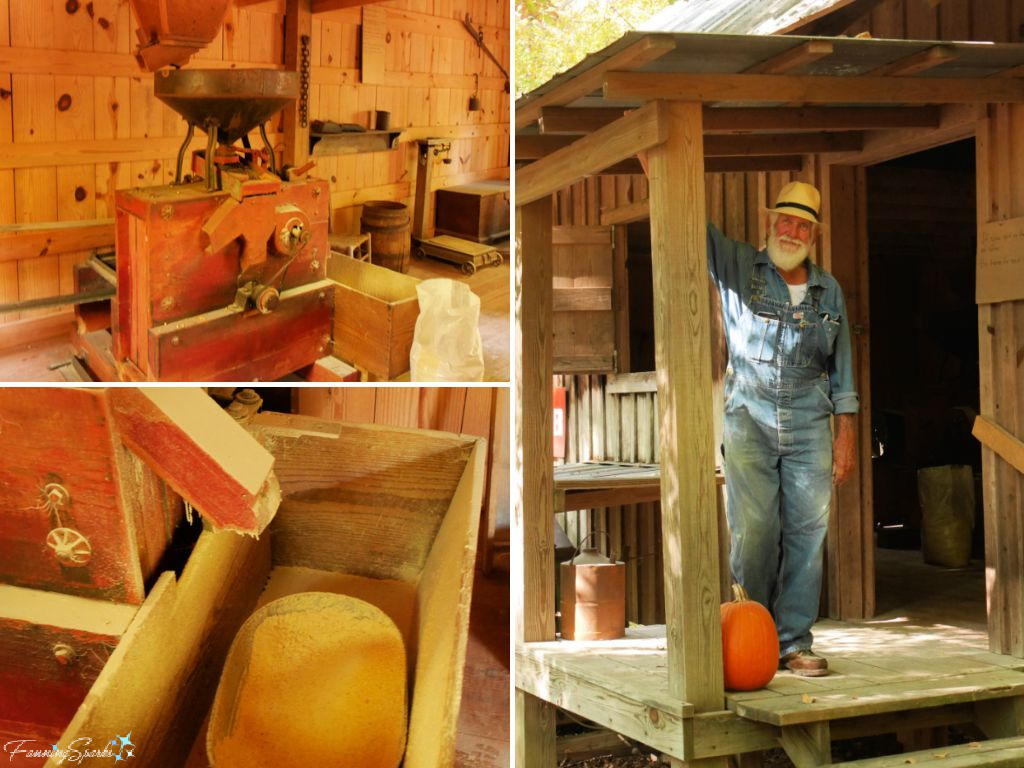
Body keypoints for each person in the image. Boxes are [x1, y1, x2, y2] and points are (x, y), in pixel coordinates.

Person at [706, 181, 858, 677]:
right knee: (753, 530)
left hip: (812, 420)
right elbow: (689, 222)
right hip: (748, 415)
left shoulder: (828, 289)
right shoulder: (737, 266)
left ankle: (793, 642)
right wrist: (650, 158)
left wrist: (846, 434)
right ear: (770, 224)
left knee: (807, 533)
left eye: (804, 225)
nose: (793, 230)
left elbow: (843, 370)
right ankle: (750, 632)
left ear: (813, 234)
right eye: (786, 220)